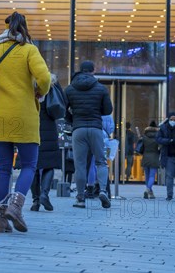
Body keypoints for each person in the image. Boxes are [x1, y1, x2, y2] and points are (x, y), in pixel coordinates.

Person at [0, 12, 50, 233]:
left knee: (4, 168)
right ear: (25, 28)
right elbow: (44, 78)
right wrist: (38, 92)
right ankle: (16, 206)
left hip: (0, 117)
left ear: (5, 29)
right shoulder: (29, 50)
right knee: (29, 165)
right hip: (25, 116)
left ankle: (0, 218)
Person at [65, 61, 113, 209]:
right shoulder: (100, 88)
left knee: (79, 165)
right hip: (96, 128)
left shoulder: (70, 88)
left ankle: (80, 198)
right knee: (100, 161)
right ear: (93, 70)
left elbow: (62, 109)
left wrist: (72, 120)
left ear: (80, 70)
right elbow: (107, 110)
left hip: (78, 129)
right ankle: (103, 190)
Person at [30, 74, 63, 212]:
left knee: (32, 166)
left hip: (31, 128)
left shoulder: (29, 87)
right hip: (49, 129)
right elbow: (62, 104)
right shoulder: (52, 87)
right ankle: (44, 194)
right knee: (49, 165)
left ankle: (36, 200)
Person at [141, 121, 160, 199]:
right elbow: (160, 148)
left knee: (147, 176)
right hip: (154, 157)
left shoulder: (144, 137)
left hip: (145, 157)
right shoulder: (158, 137)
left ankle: (150, 192)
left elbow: (141, 148)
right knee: (152, 176)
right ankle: (148, 189)